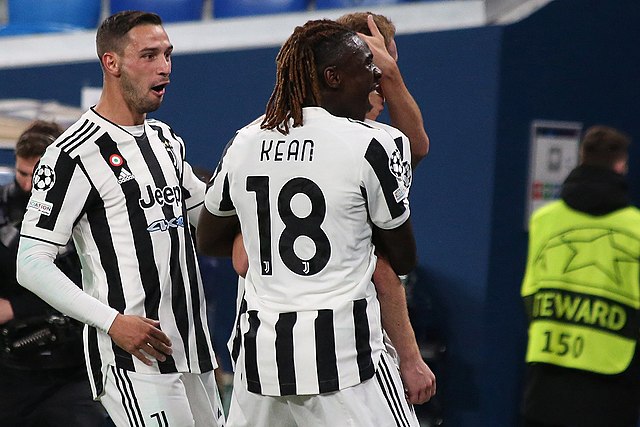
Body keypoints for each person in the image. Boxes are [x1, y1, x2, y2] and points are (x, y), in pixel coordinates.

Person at [198, 19, 433, 426]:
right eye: (369, 65)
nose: (376, 76)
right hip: (345, 361)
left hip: (261, 360)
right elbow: (401, 258)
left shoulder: (246, 140)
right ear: (333, 76)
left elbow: (211, 239)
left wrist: (262, 239)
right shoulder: (374, 144)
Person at [16, 11, 225, 427]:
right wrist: (113, 323)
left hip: (194, 352)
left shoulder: (165, 140)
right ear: (111, 63)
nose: (164, 66)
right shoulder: (72, 154)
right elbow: (31, 263)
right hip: (136, 362)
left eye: (167, 54)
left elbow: (210, 219)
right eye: (149, 55)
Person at [520, 125, 640, 427]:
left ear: (581, 160)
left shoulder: (544, 220)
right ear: (620, 166)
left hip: (547, 371)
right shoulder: (635, 228)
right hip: (613, 377)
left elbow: (530, 292)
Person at [0, 120, 106, 427]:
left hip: (71, 366)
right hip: (8, 368)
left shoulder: (89, 212)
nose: (29, 184)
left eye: (38, 175)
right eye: (22, 173)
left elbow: (94, 285)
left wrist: (17, 306)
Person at [336, 12, 429, 168]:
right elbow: (415, 150)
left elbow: (414, 151)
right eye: (381, 70)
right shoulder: (314, 127)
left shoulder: (378, 141)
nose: (387, 90)